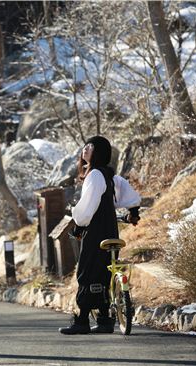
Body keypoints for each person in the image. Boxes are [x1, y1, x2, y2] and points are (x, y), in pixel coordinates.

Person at [59, 136, 141, 335]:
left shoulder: (94, 175)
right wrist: (133, 212)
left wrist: (78, 226)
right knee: (105, 272)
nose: (85, 149)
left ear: (99, 152)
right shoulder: (109, 175)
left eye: (90, 146)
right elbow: (130, 195)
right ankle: (104, 320)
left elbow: (87, 207)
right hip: (110, 229)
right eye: (85, 146)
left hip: (95, 232)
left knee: (87, 273)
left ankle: (82, 321)